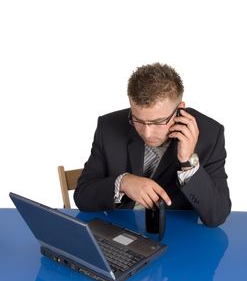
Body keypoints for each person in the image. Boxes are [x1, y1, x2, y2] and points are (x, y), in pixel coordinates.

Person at [74, 63, 231, 227]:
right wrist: (123, 183)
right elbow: (82, 196)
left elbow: (217, 216)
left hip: (178, 236)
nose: (147, 133)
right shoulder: (108, 127)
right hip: (119, 231)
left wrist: (188, 162)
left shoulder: (210, 134)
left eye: (158, 122)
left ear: (179, 109)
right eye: (138, 120)